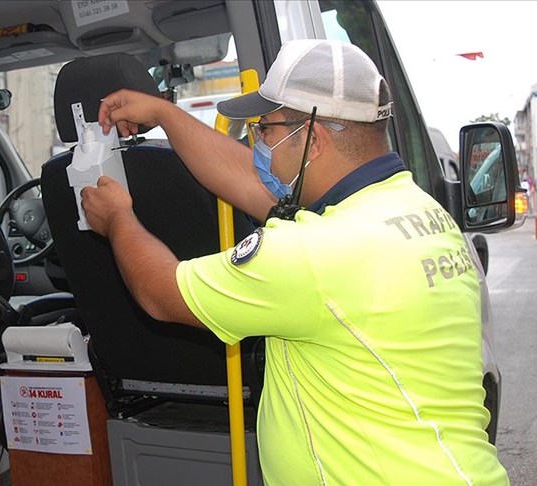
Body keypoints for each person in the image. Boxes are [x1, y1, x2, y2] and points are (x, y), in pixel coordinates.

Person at [80, 39, 508, 485]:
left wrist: (118, 219)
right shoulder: (416, 211)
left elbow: (162, 293)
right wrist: (166, 116)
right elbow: (250, 182)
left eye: (264, 131)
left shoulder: (313, 253)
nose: (258, 144)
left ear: (313, 139)